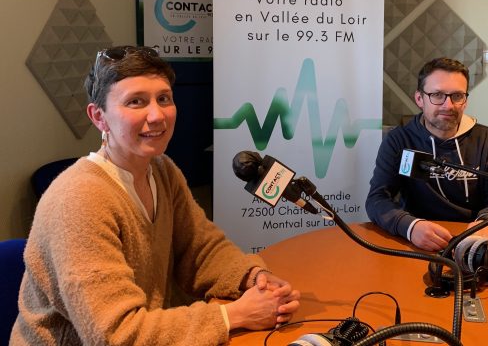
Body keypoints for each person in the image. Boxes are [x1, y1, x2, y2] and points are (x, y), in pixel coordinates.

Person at [11, 46, 300, 345]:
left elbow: (201, 250)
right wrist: (234, 315)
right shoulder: (78, 200)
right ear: (99, 117)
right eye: (135, 101)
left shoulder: (162, 170)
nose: (157, 115)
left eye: (163, 99)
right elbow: (116, 335)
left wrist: (252, 277)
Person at [366, 57, 488, 252]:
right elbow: (377, 199)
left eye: (457, 96)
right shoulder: (399, 140)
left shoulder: (487, 139)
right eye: (437, 95)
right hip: (418, 243)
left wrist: (487, 225)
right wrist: (410, 227)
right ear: (419, 99)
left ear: (465, 101)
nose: (448, 105)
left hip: (473, 244)